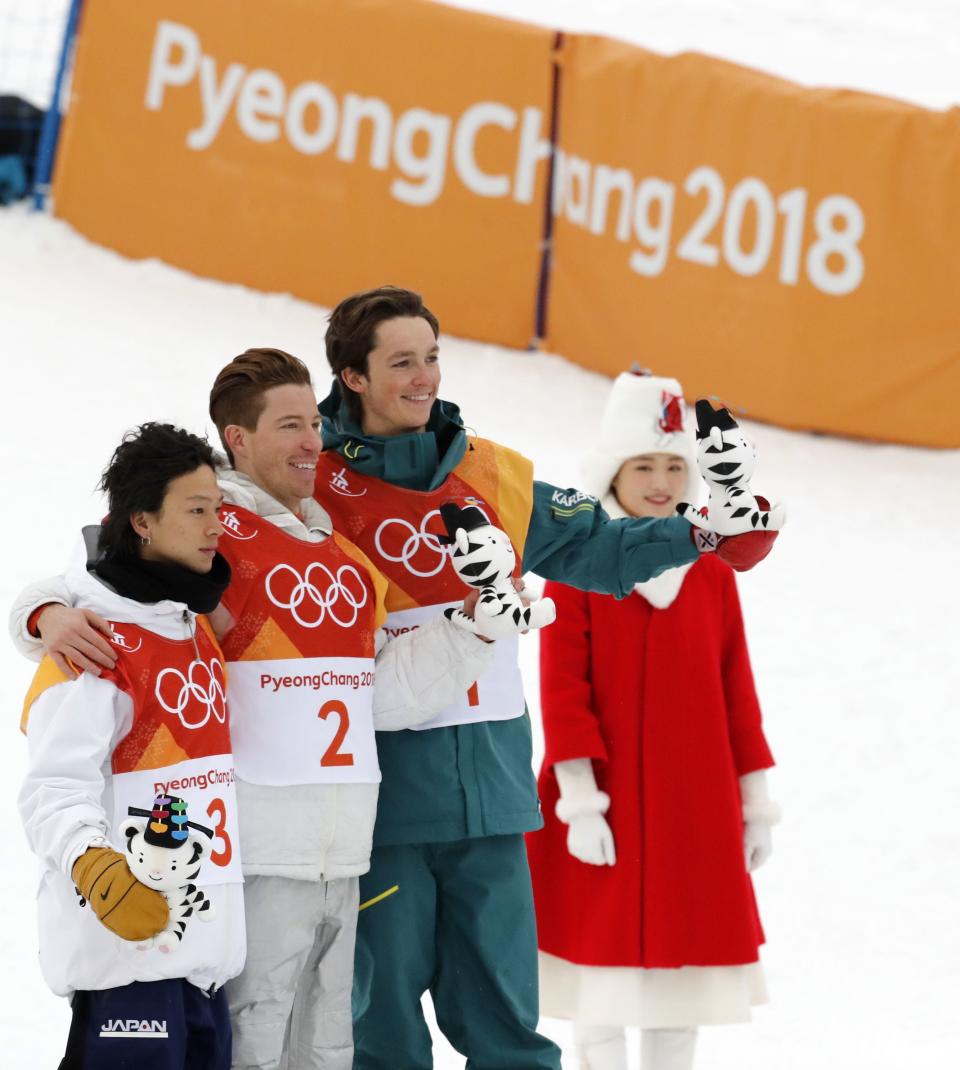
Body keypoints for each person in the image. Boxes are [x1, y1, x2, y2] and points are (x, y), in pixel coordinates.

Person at [313, 286, 779, 1070]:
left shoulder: (493, 473)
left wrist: (701, 531)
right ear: (352, 376)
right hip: (380, 810)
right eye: (402, 362)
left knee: (511, 1038)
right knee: (382, 1037)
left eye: (432, 356)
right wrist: (46, 611)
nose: (425, 376)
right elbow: (194, 544)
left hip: (493, 806)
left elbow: (600, 546)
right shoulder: (311, 488)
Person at [11, 348, 496, 1070]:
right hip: (247, 857)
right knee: (255, 1041)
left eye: (315, 424)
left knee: (326, 1044)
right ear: (238, 438)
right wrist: (41, 612)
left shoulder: (337, 548)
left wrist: (476, 626)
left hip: (332, 852)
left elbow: (369, 694)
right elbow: (103, 579)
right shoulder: (212, 527)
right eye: (291, 425)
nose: (313, 443)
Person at [525, 370, 780, 1070]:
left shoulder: (713, 571)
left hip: (693, 806)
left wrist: (753, 799)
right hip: (603, 803)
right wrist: (580, 801)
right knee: (598, 975)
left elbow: (737, 687)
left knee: (681, 981)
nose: (662, 480)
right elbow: (563, 690)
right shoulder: (575, 567)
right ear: (614, 471)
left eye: (675, 465)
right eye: (646, 465)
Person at [18, 422, 242, 1070]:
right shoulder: (92, 643)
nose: (215, 526)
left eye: (218, 508)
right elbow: (53, 790)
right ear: (142, 521)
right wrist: (97, 870)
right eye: (196, 510)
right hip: (126, 960)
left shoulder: (193, 626)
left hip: (201, 960)